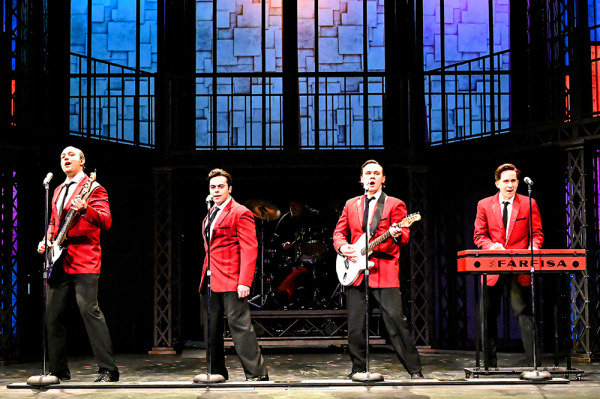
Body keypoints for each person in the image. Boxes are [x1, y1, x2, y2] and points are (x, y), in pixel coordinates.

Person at [333, 160, 424, 379]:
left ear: (383, 179)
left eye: (376, 173)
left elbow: (404, 237)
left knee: (395, 322)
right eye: (368, 173)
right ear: (361, 178)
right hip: (355, 272)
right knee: (356, 326)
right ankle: (358, 369)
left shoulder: (394, 204)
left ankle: (415, 371)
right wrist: (344, 247)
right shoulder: (351, 204)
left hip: (384, 272)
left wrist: (396, 233)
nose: (372, 177)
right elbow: (339, 233)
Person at [37, 146, 118, 382]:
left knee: (89, 311)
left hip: (84, 258)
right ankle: (58, 369)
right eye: (62, 155)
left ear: (82, 161)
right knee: (52, 315)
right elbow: (54, 223)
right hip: (59, 257)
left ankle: (108, 370)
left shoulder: (94, 188)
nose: (65, 158)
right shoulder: (57, 189)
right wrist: (46, 240)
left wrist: (86, 209)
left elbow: (106, 221)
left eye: (71, 155)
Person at [199, 168, 268, 381]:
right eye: (213, 187)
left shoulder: (240, 212)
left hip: (231, 279)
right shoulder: (211, 212)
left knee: (239, 327)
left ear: (230, 188)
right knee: (210, 327)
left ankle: (257, 374)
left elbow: (249, 249)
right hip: (211, 278)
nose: (216, 190)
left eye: (221, 186)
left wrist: (244, 281)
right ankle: (215, 371)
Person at [474, 163, 544, 367]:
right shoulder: (484, 205)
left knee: (525, 314)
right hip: (493, 267)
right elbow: (479, 235)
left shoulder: (529, 203)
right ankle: (488, 364)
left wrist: (534, 248)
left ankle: (534, 365)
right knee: (488, 315)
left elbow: (537, 234)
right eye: (506, 181)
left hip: (519, 266)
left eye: (514, 180)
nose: (510, 184)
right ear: (497, 184)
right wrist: (490, 246)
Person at [271, 199, 324, 306]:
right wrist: (283, 245)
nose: (292, 206)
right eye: (290, 203)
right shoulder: (286, 219)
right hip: (290, 261)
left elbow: (323, 238)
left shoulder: (314, 216)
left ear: (303, 203)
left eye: (295, 203)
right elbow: (275, 241)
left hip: (314, 261)